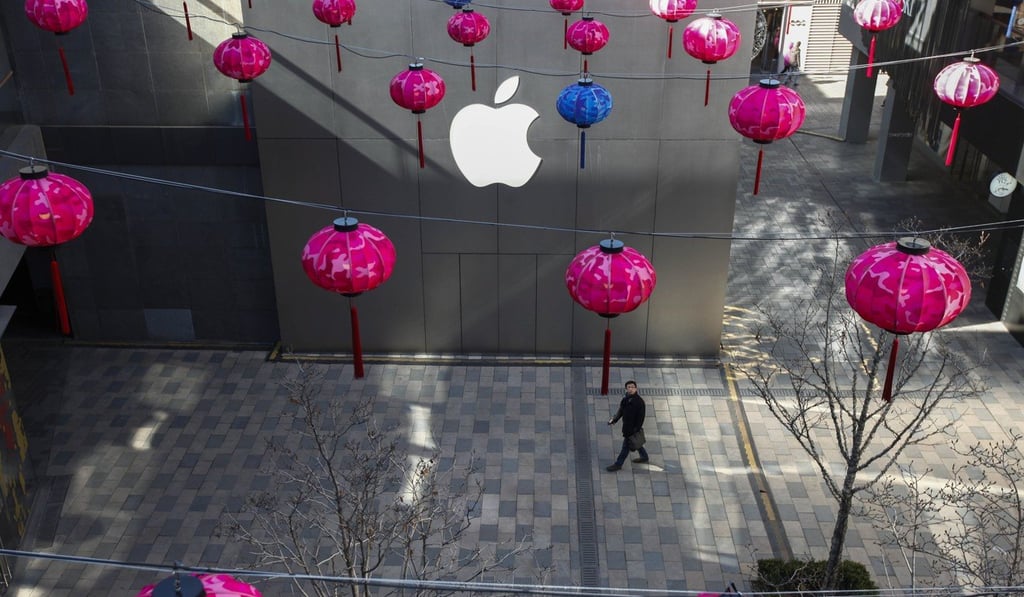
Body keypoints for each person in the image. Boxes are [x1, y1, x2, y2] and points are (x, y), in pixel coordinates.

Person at [606, 380, 649, 471]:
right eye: (629, 387)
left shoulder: (639, 402)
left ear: (636, 388)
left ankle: (618, 464)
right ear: (626, 389)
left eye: (632, 387)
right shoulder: (625, 399)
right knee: (636, 443)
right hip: (627, 427)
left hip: (631, 430)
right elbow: (621, 410)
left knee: (625, 448)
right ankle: (644, 456)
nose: (631, 389)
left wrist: (635, 430)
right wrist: (614, 420)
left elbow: (641, 418)